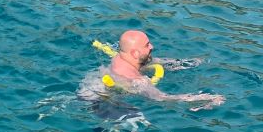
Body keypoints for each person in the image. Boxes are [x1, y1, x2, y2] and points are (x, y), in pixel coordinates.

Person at [79, 30, 225, 111]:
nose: (152, 47)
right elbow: (163, 98)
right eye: (147, 45)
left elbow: (153, 61)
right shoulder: (137, 80)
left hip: (90, 83)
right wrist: (204, 97)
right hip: (101, 100)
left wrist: (189, 62)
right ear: (135, 53)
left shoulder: (120, 57)